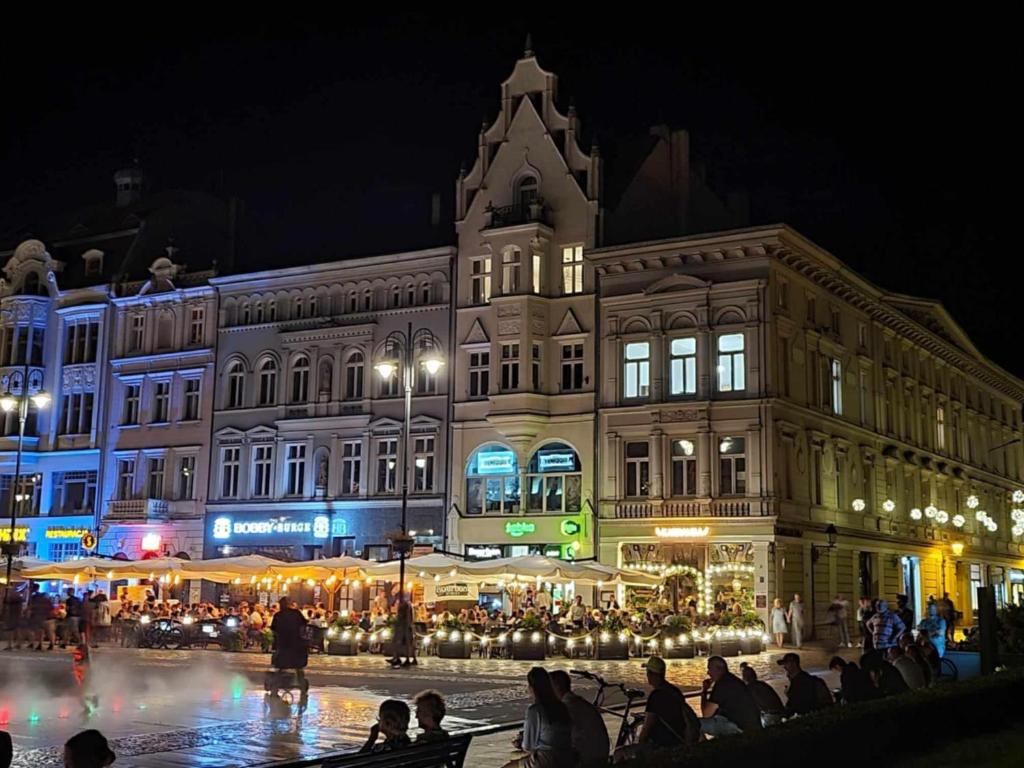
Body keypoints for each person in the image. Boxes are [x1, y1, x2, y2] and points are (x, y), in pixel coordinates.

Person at [503, 667, 573, 768]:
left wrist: (521, 741)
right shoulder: (561, 707)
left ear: (532, 688)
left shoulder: (535, 710)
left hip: (545, 760)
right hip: (566, 757)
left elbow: (528, 747)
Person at [550, 670, 610, 768]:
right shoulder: (579, 703)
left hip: (587, 761)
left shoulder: (567, 708)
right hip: (601, 757)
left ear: (556, 687)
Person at [700, 656, 762, 736]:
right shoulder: (733, 680)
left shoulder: (722, 684)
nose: (708, 673)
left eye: (709, 669)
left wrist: (704, 691)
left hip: (738, 727)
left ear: (719, 669)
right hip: (750, 725)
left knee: (696, 724)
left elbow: (706, 714)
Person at [269, 597, 310, 708]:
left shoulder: (278, 616)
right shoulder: (296, 613)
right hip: (297, 645)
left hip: (283, 645)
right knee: (299, 668)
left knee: (279, 668)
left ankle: (274, 689)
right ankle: (302, 689)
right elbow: (304, 624)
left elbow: (274, 629)